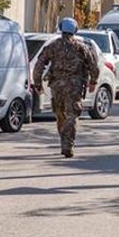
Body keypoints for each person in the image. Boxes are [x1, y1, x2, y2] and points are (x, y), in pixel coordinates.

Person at [32, 17, 98, 158]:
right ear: (74, 30)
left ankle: (65, 142)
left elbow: (39, 65)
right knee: (72, 116)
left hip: (57, 87)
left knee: (60, 115)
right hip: (74, 87)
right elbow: (93, 65)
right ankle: (68, 144)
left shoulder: (52, 46)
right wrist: (93, 81)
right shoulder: (82, 47)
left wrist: (37, 83)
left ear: (61, 29)